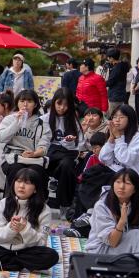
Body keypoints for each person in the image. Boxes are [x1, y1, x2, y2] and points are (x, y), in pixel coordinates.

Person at [0, 168, 59, 273]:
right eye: (18, 181)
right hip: (3, 249)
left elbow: (41, 243)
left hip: (27, 251)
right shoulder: (4, 203)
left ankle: (9, 264)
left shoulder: (44, 209)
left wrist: (25, 229)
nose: (21, 186)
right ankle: (19, 265)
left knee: (51, 256)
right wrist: (11, 227)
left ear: (35, 189)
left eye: (27, 183)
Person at [85, 169, 139, 257]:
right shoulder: (102, 205)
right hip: (101, 250)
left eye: (127, 183)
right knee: (135, 235)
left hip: (126, 244)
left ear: (135, 189)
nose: (121, 186)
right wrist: (121, 221)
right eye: (118, 182)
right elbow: (112, 242)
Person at [0, 89, 49, 193]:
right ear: (17, 103)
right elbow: (1, 138)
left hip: (33, 157)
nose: (25, 104)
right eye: (22, 101)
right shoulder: (9, 119)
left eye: (29, 101)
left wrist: (33, 154)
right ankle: (12, 201)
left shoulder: (42, 124)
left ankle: (36, 203)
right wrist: (17, 122)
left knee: (37, 171)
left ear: (35, 104)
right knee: (16, 169)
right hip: (12, 157)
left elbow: (44, 147)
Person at [42, 88, 83, 216]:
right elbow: (41, 142)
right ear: (54, 103)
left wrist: (69, 142)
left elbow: (79, 145)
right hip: (49, 155)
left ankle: (64, 204)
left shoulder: (73, 121)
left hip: (67, 155)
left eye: (66, 105)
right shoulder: (44, 119)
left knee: (67, 165)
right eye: (59, 104)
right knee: (52, 160)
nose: (62, 108)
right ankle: (44, 200)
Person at [104, 48, 129, 117]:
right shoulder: (122, 66)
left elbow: (111, 81)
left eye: (108, 57)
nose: (108, 59)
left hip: (115, 95)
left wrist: (102, 83)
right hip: (120, 94)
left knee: (113, 115)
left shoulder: (117, 68)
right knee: (118, 114)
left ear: (112, 58)